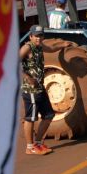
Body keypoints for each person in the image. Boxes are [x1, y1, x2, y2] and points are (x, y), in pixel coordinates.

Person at [20, 25, 54, 155]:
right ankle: (29, 147)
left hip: (40, 87)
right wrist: (28, 78)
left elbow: (52, 48)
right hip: (31, 90)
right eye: (36, 36)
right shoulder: (27, 47)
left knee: (49, 115)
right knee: (30, 118)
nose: (38, 38)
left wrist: (64, 45)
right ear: (30, 36)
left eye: (41, 35)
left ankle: (38, 143)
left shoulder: (40, 46)